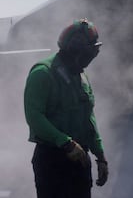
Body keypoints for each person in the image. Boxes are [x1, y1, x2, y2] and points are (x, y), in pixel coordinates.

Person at [24, 18, 109, 198]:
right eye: (89, 52)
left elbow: (88, 118)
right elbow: (34, 116)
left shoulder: (81, 76)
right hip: (52, 160)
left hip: (79, 159)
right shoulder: (42, 73)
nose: (92, 57)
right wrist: (66, 143)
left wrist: (100, 156)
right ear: (76, 50)